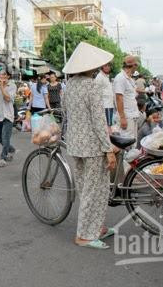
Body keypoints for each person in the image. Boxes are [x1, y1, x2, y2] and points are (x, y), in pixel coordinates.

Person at [62, 42, 118, 250]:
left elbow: (67, 114)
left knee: (86, 188)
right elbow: (98, 120)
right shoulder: (92, 86)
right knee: (95, 191)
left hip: (75, 144)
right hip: (93, 147)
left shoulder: (69, 87)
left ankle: (96, 227)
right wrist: (108, 149)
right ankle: (84, 235)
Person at [113, 55, 141, 140]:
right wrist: (122, 118)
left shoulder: (129, 79)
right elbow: (119, 98)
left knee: (132, 141)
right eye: (136, 65)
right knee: (126, 142)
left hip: (132, 115)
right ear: (133, 66)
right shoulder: (120, 78)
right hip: (127, 116)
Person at [95, 63, 115, 127]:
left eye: (109, 65)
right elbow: (96, 91)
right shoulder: (100, 76)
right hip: (105, 105)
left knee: (108, 125)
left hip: (109, 105)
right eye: (105, 66)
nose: (107, 67)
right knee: (107, 126)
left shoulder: (106, 76)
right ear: (102, 67)